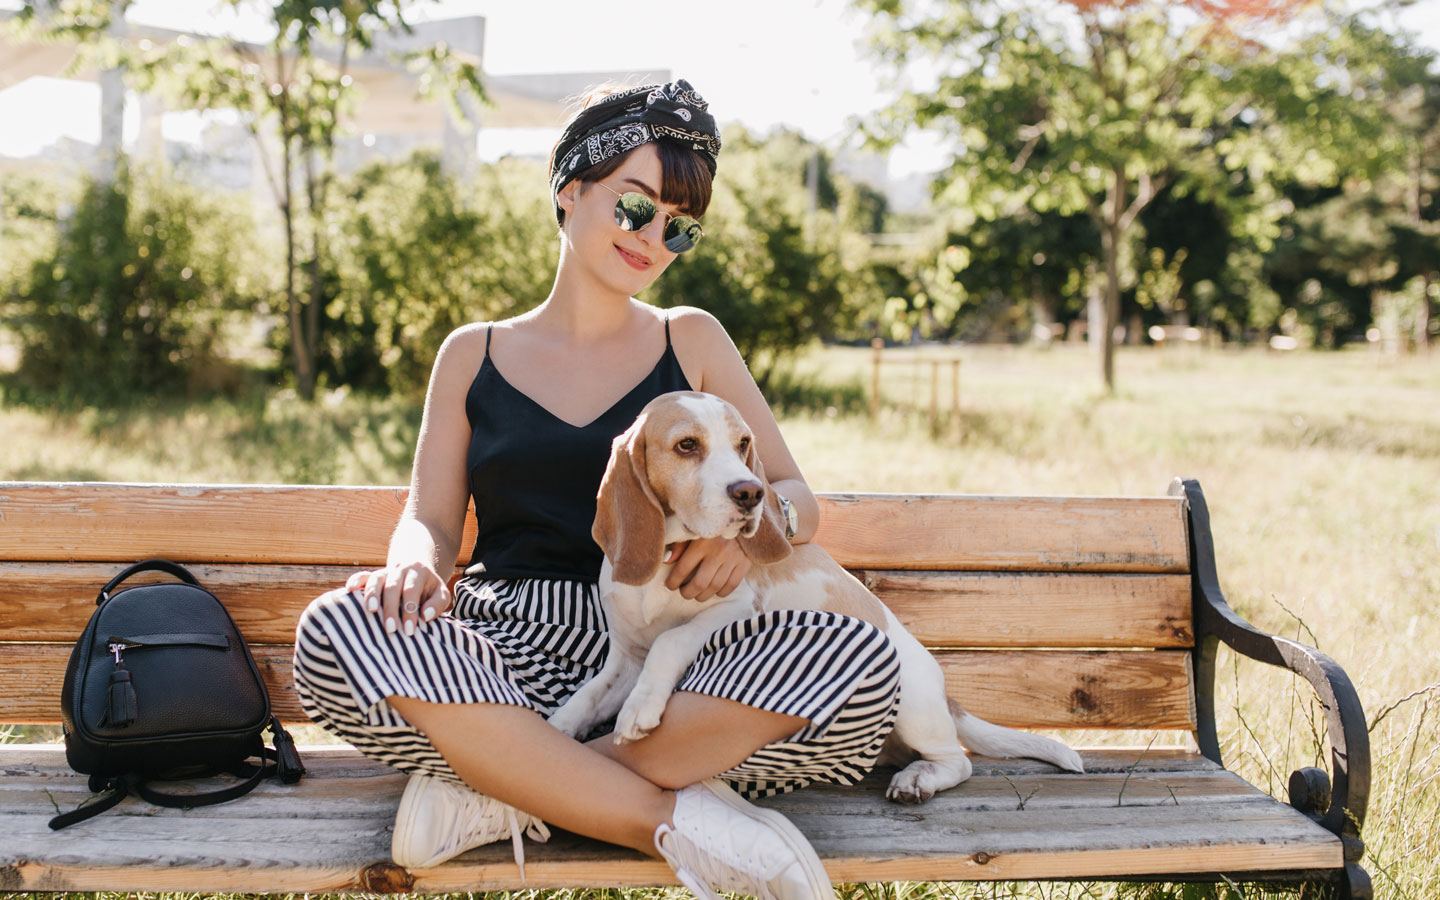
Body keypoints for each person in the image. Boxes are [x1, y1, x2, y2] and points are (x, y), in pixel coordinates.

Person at [291, 78, 902, 899]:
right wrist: (411, 568)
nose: (653, 238)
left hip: (680, 661)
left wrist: (752, 541)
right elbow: (430, 520)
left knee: (859, 656)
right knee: (334, 630)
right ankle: (672, 818)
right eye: (635, 206)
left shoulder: (692, 341)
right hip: (499, 655)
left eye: (679, 227)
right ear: (570, 190)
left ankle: (506, 788)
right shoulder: (473, 354)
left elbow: (795, 493)